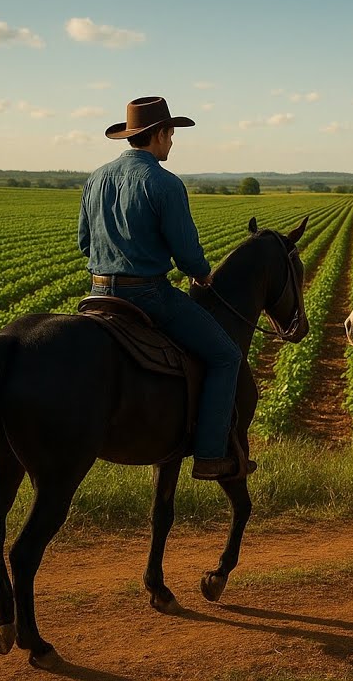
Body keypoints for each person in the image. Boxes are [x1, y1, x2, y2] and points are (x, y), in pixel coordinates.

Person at [78, 96, 249, 481]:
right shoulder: (165, 183)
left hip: (98, 294)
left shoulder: (95, 178)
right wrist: (200, 273)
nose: (172, 142)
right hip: (147, 295)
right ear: (157, 134)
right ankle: (209, 454)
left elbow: (85, 243)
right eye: (171, 134)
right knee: (225, 356)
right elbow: (185, 249)